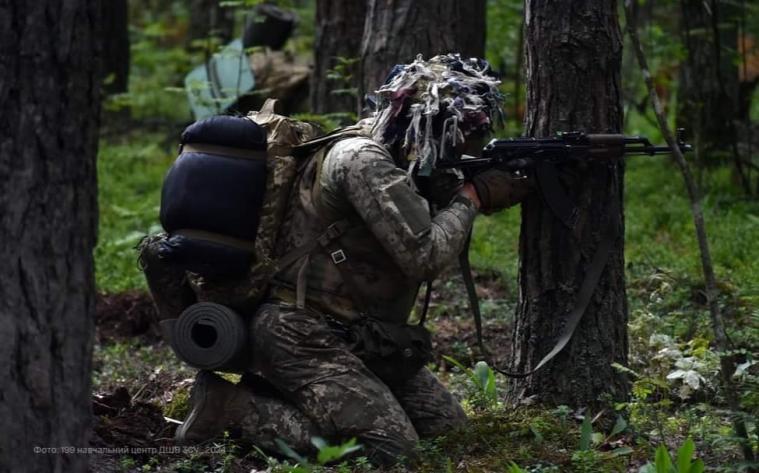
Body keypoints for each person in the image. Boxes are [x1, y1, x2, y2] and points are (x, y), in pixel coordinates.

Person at [141, 54, 530, 466]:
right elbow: (425, 256)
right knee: (393, 453)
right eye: (459, 136)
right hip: (301, 333)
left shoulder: (401, 158)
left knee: (450, 434)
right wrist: (471, 199)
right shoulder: (363, 160)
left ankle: (310, 403)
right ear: (429, 125)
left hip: (363, 337)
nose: (461, 148)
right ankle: (231, 407)